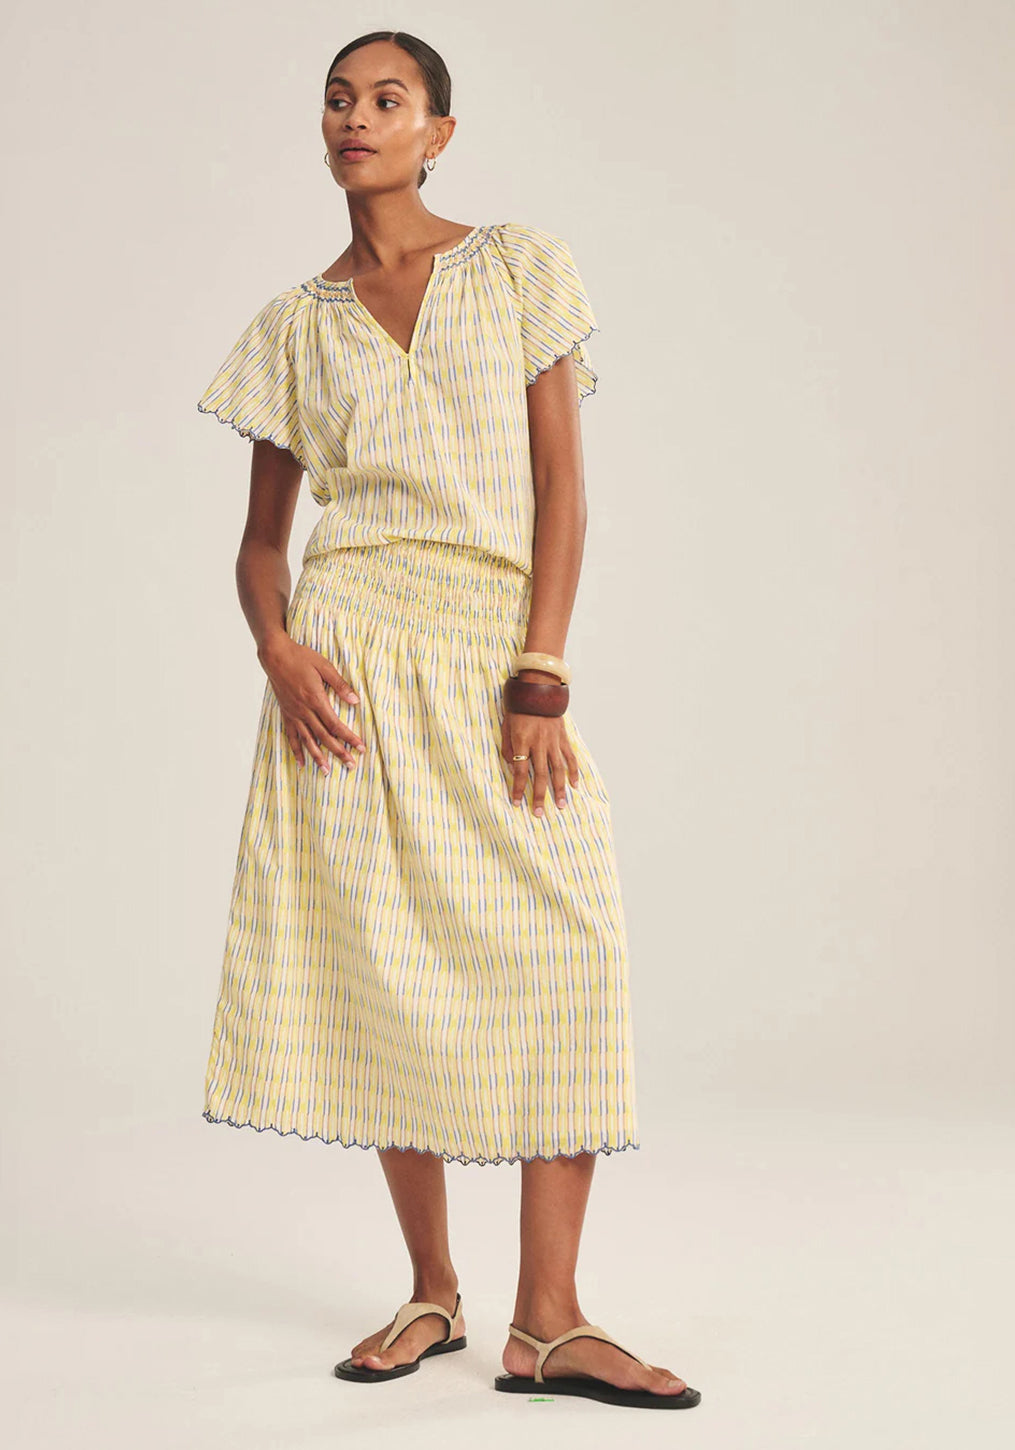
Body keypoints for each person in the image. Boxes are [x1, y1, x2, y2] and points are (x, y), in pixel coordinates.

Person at [195, 28, 700, 1412]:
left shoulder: (519, 268)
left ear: (439, 132)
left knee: (567, 947)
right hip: (347, 679)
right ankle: (435, 1289)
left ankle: (552, 1318)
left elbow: (562, 487)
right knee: (384, 970)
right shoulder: (295, 325)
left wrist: (541, 672)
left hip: (489, 661)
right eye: (338, 100)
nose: (356, 119)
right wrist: (278, 650)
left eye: (387, 99)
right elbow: (260, 543)